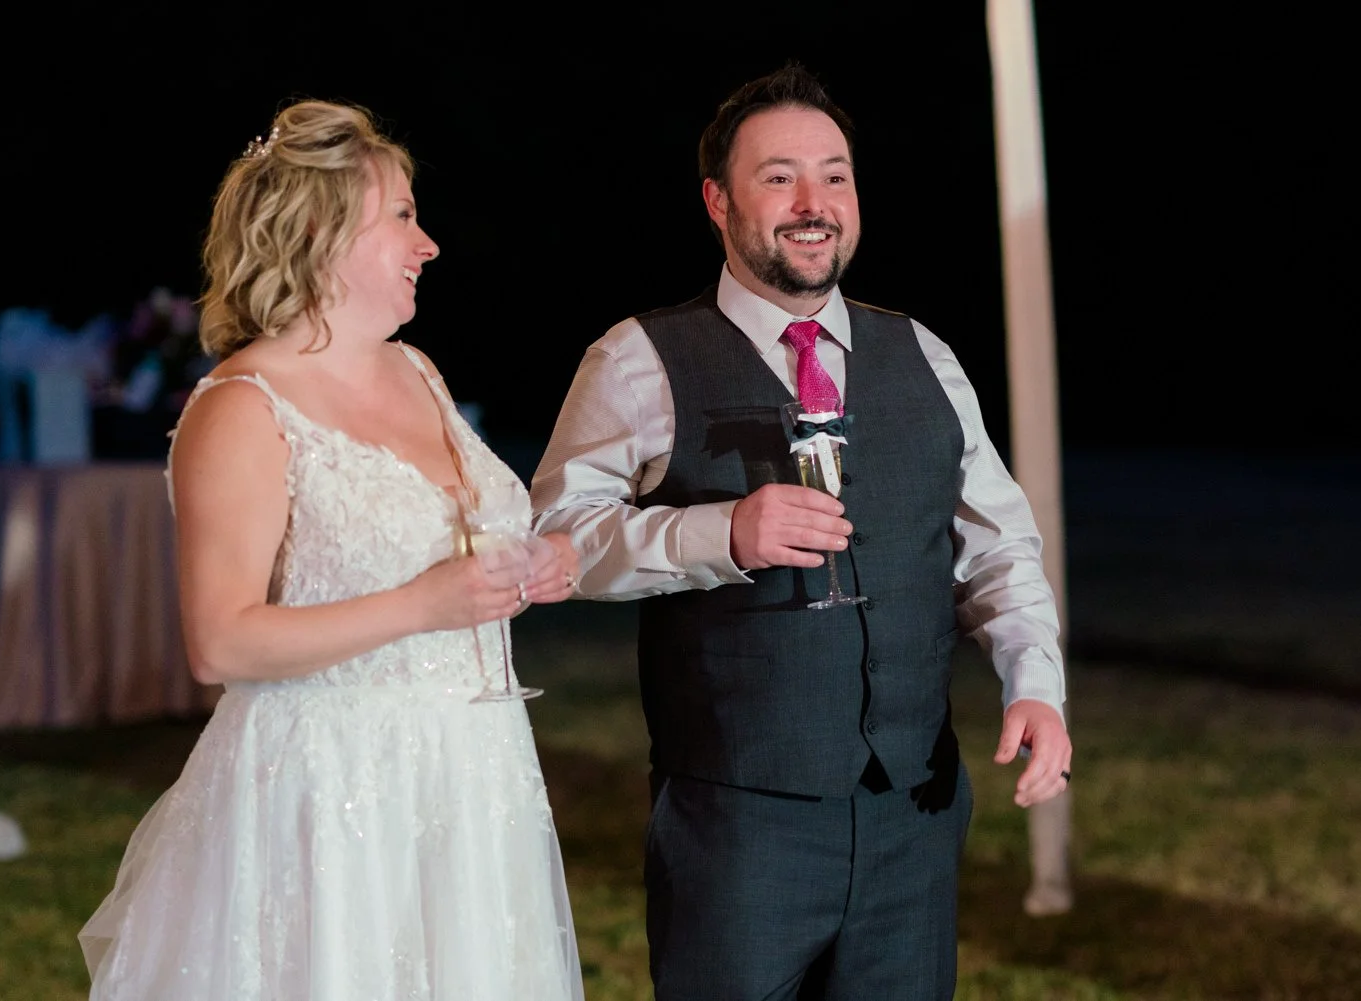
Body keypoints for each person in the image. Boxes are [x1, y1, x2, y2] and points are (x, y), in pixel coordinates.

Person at [530, 63, 1071, 1000]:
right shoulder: (639, 359)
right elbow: (557, 540)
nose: (814, 202)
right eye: (779, 177)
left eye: (835, 174)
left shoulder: (924, 355)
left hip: (915, 812)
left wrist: (1036, 682)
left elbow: (998, 546)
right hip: (738, 826)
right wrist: (718, 534)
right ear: (717, 201)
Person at [79, 99, 585, 1000]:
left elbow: (459, 547)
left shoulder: (417, 368)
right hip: (327, 792)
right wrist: (426, 604)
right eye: (402, 217)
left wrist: (537, 563)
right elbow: (222, 640)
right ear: (320, 231)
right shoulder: (242, 408)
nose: (427, 244)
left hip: (471, 773)